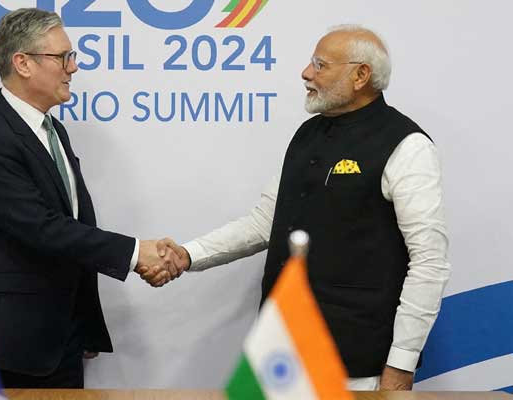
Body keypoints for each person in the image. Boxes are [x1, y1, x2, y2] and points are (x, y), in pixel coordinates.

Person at [147, 25, 451, 391]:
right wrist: (186, 255)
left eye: (320, 65)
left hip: (354, 368)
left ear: (361, 75)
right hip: (281, 360)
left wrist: (401, 365)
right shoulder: (306, 135)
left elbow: (429, 262)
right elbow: (265, 224)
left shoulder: (408, 146)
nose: (306, 73)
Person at [0, 8, 181, 388]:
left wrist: (84, 320)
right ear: (22, 63)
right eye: (62, 57)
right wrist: (138, 253)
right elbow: (42, 228)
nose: (72, 68)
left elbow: (73, 225)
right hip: (11, 346)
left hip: (62, 336)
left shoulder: (52, 129)